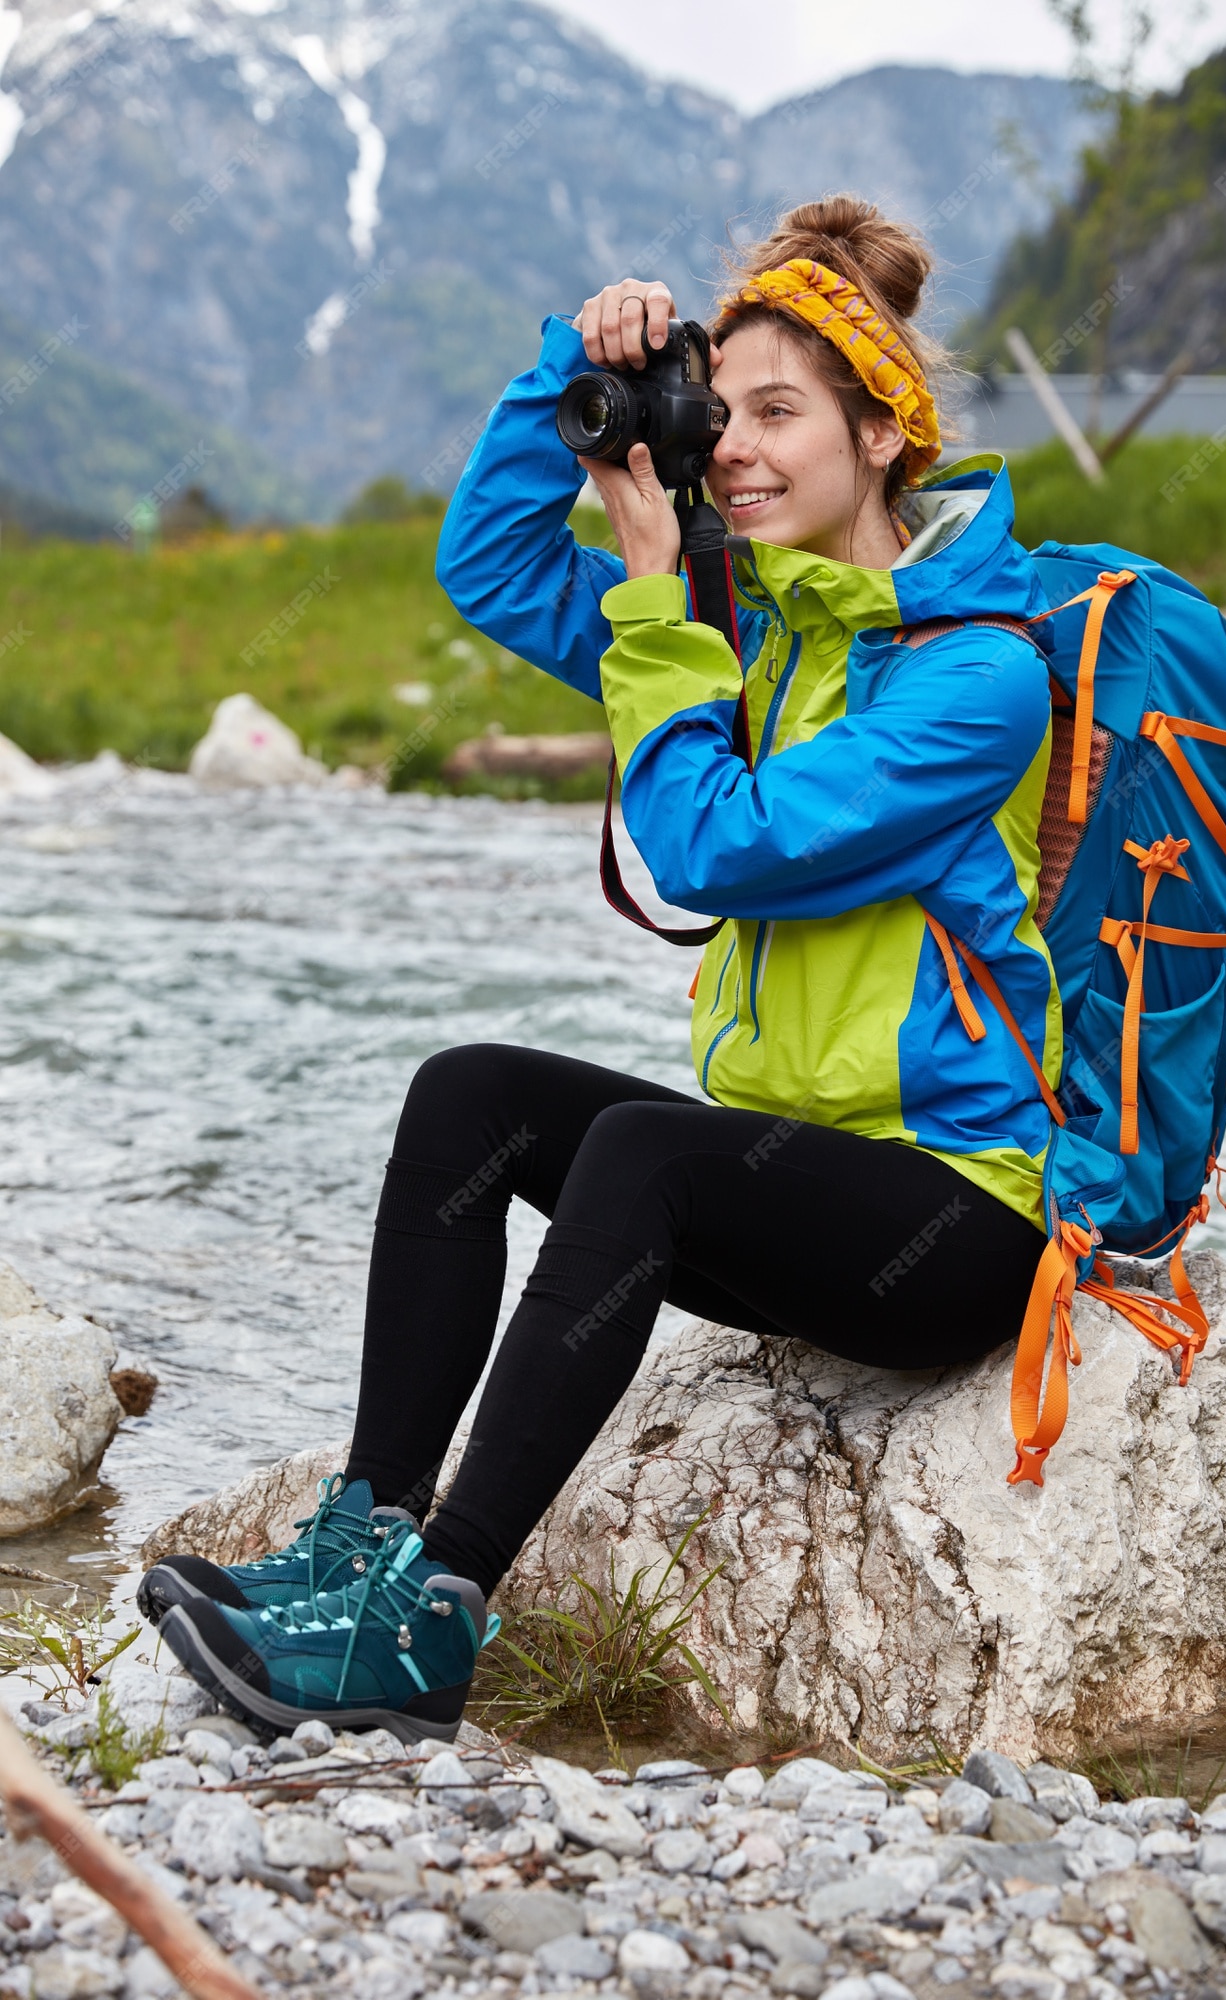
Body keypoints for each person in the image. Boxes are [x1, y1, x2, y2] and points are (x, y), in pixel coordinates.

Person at [140, 195, 1060, 1743]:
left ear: (887, 435)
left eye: (781, 414)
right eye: (724, 415)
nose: (738, 452)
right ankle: (354, 1550)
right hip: (793, 1181)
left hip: (955, 1214)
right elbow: (491, 567)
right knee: (470, 1095)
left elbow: (713, 849)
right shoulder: (748, 635)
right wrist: (578, 366)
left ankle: (430, 1622)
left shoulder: (977, 675)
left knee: (642, 1149)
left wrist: (654, 607)